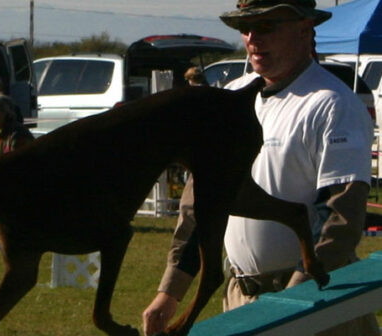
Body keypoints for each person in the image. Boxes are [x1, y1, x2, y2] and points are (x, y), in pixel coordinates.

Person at [142, 1, 379, 336]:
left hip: (317, 302)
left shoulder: (332, 103)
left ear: (304, 29)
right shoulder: (229, 100)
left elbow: (339, 217)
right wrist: (169, 293)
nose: (253, 38)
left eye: (267, 26)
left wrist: (296, 302)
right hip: (244, 299)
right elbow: (200, 207)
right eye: (245, 28)